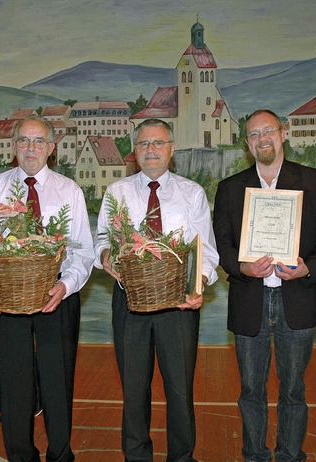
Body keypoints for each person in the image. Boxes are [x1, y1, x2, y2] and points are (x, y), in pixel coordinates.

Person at [0, 115, 95, 461]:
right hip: (7, 298)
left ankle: (60, 454)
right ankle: (20, 455)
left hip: (58, 298)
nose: (30, 148)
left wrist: (66, 285)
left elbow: (83, 251)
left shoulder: (69, 190)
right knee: (13, 385)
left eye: (38, 141)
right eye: (23, 141)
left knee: (57, 383)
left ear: (51, 148)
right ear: (13, 146)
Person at [94, 118, 219, 461]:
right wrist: (106, 257)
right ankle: (136, 456)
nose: (151, 150)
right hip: (130, 302)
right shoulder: (115, 193)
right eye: (144, 144)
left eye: (158, 143)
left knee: (180, 391)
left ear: (171, 149)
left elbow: (205, 249)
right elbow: (101, 241)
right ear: (135, 151)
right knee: (134, 391)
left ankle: (182, 456)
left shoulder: (191, 192)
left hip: (179, 304)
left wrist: (201, 284)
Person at [213, 109, 316, 461]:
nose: (262, 139)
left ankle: (290, 455)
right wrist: (243, 268)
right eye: (253, 134)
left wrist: (307, 268)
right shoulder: (231, 188)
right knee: (251, 389)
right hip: (250, 300)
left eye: (268, 131)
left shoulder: (312, 180)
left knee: (294, 388)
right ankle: (254, 455)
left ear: (284, 133)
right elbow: (221, 244)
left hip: (297, 300)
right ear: (247, 143)